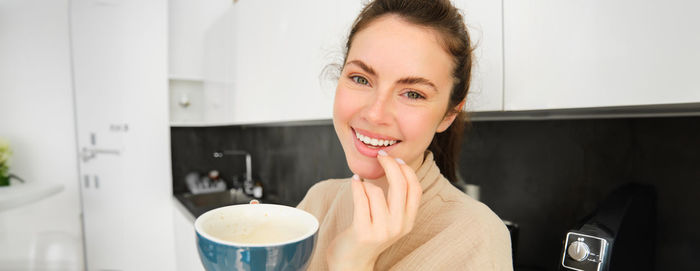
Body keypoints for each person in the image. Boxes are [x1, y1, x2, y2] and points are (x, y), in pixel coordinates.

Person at [296, 0, 513, 270]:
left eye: (413, 94)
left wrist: (351, 261)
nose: (375, 114)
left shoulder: (478, 235)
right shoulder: (318, 201)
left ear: (449, 114)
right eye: (361, 79)